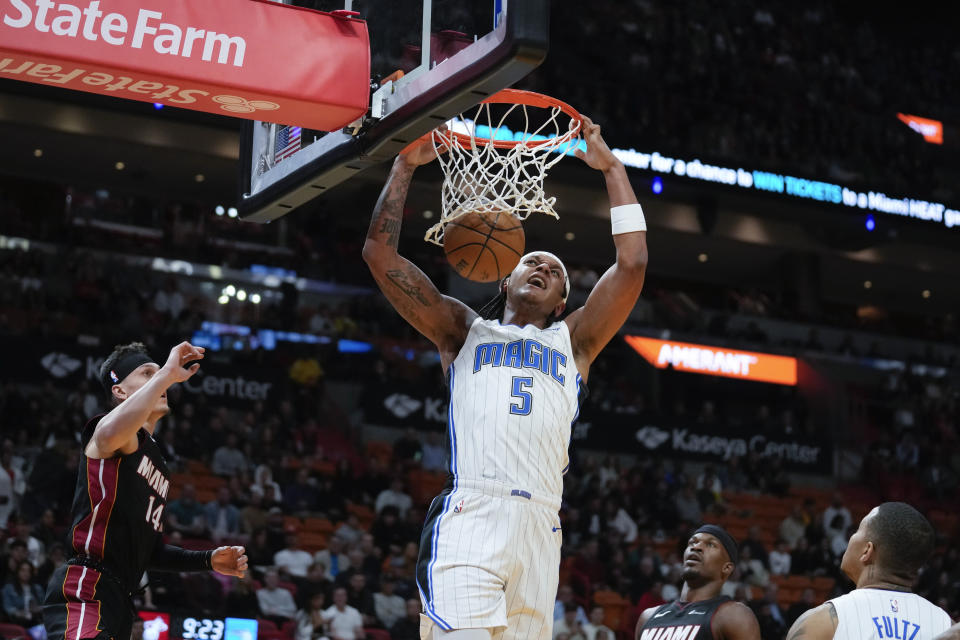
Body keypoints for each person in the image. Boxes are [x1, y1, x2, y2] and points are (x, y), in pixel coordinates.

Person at [364, 117, 648, 640]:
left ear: (562, 301)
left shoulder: (576, 341)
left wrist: (611, 168)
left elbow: (631, 266)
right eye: (531, 260)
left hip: (542, 528)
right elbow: (380, 257)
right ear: (505, 276)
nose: (541, 265)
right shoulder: (461, 331)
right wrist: (404, 165)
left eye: (555, 269)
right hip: (474, 512)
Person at [41, 341, 248, 640]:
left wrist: (209, 560)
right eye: (146, 373)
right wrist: (166, 372)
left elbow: (149, 550)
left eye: (157, 373)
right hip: (87, 584)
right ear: (119, 391)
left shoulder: (158, 463)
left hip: (120, 598)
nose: (160, 378)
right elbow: (111, 433)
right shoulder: (112, 433)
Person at [785, 502, 951, 640]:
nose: (851, 537)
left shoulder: (822, 622)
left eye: (858, 530)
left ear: (867, 551)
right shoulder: (947, 625)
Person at [635, 525, 760, 640]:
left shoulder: (732, 615)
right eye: (692, 543)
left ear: (726, 568)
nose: (696, 547)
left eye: (711, 545)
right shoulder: (648, 617)